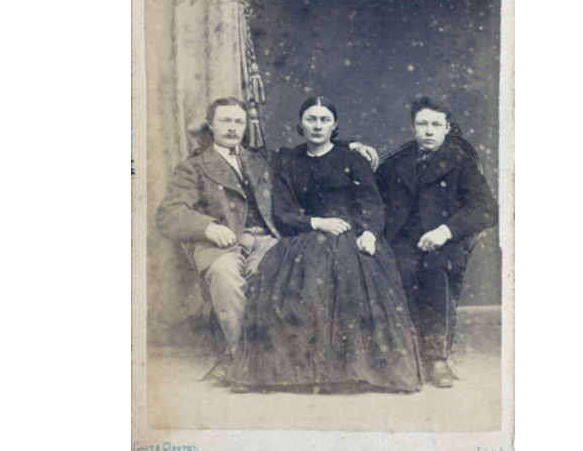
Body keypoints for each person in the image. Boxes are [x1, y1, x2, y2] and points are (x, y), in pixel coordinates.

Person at [156, 97, 379, 385]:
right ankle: (241, 362)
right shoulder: (193, 167)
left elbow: (312, 146)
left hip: (267, 240)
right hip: (222, 243)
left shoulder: (260, 158)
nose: (232, 128)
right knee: (225, 277)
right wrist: (208, 227)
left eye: (238, 121)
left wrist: (352, 145)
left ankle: (269, 363)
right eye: (225, 120)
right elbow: (169, 214)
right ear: (210, 124)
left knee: (274, 276)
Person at [227, 97, 423, 393]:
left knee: (351, 281)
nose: (317, 126)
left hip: (352, 234)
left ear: (334, 126)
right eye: (311, 119)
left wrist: (370, 234)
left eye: (324, 120)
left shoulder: (352, 159)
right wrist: (316, 222)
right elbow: (283, 212)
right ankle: (298, 374)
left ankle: (356, 371)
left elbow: (372, 204)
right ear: (300, 124)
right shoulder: (288, 161)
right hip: (307, 235)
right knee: (294, 289)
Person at [376, 97, 498, 388]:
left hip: (442, 242)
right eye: (422, 124)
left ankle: (436, 358)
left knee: (435, 268)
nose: (429, 131)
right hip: (401, 241)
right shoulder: (395, 163)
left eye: (435, 124)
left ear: (446, 128)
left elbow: (486, 208)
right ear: (413, 127)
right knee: (399, 269)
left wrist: (445, 231)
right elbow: (370, 199)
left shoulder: (460, 163)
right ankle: (403, 354)